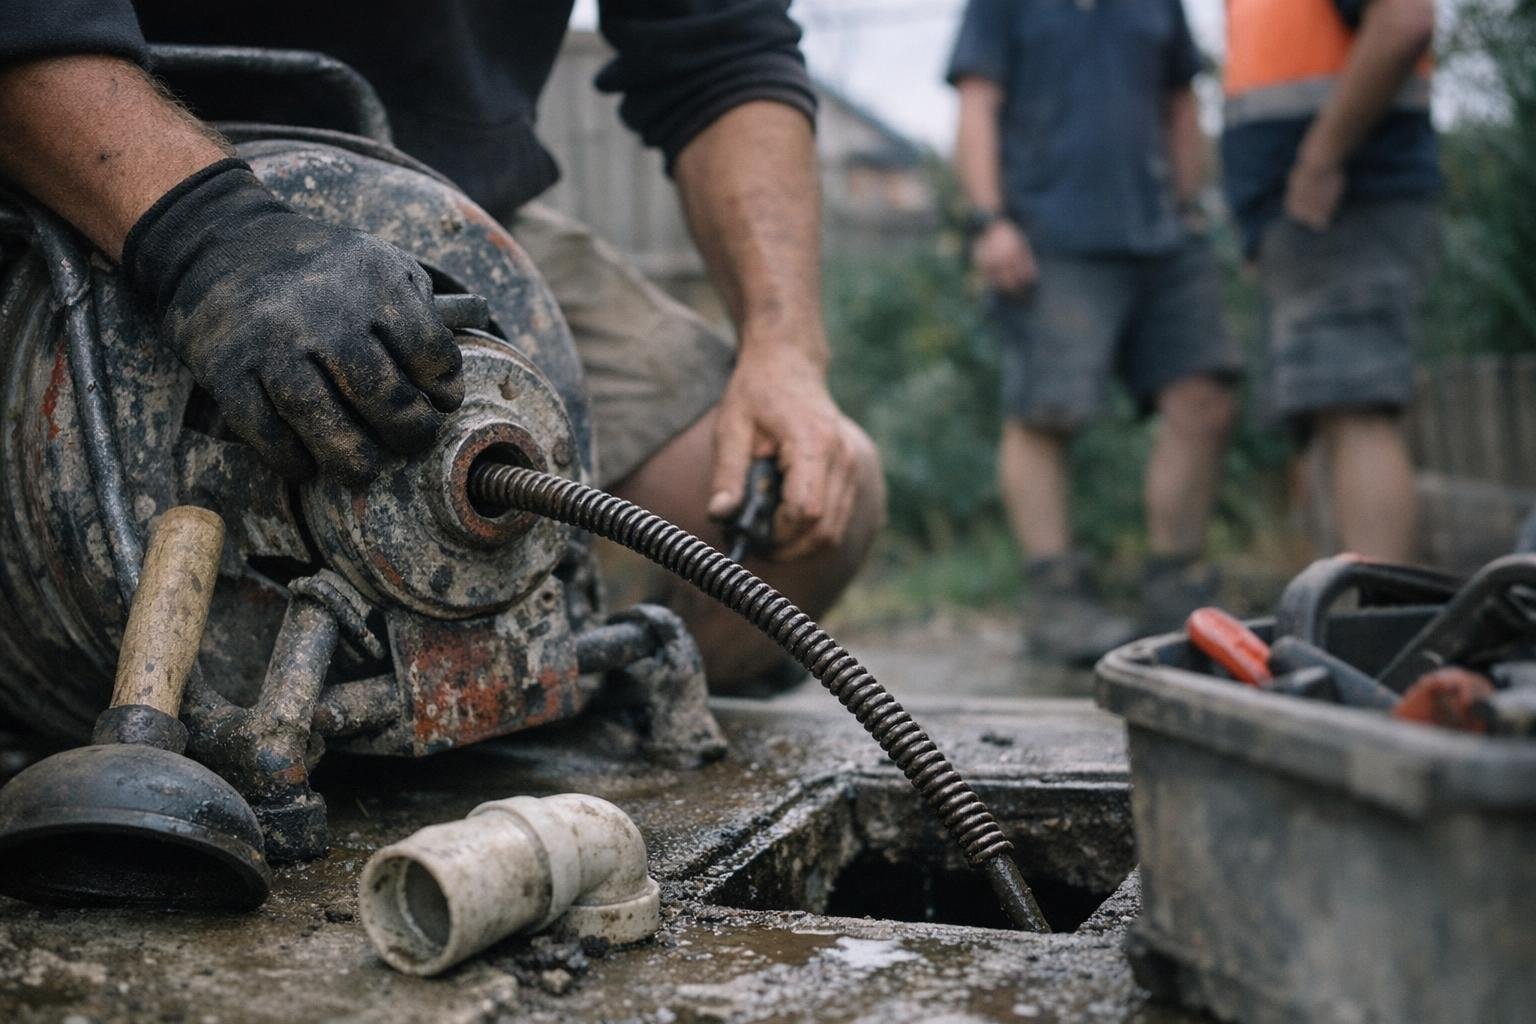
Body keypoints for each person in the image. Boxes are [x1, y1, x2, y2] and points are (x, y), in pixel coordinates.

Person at [0, 1, 885, 691]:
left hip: (451, 208)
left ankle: (507, 707)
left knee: (792, 521)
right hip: (105, 185)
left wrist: (785, 355)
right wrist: (209, 237)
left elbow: (725, 51)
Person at [946, 0, 1241, 664]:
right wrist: (989, 220)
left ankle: (1175, 590)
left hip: (1163, 234)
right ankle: (1056, 601)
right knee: (1044, 413)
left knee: (1205, 399)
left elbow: (1181, 104)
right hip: (1050, 238)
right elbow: (977, 106)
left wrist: (1191, 210)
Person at [1223, 0, 1438, 562]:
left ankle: (1377, 620)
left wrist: (1320, 159)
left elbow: (1404, 17)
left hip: (1343, 196)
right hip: (1302, 208)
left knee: (1353, 404)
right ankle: (1344, 618)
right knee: (1327, 413)